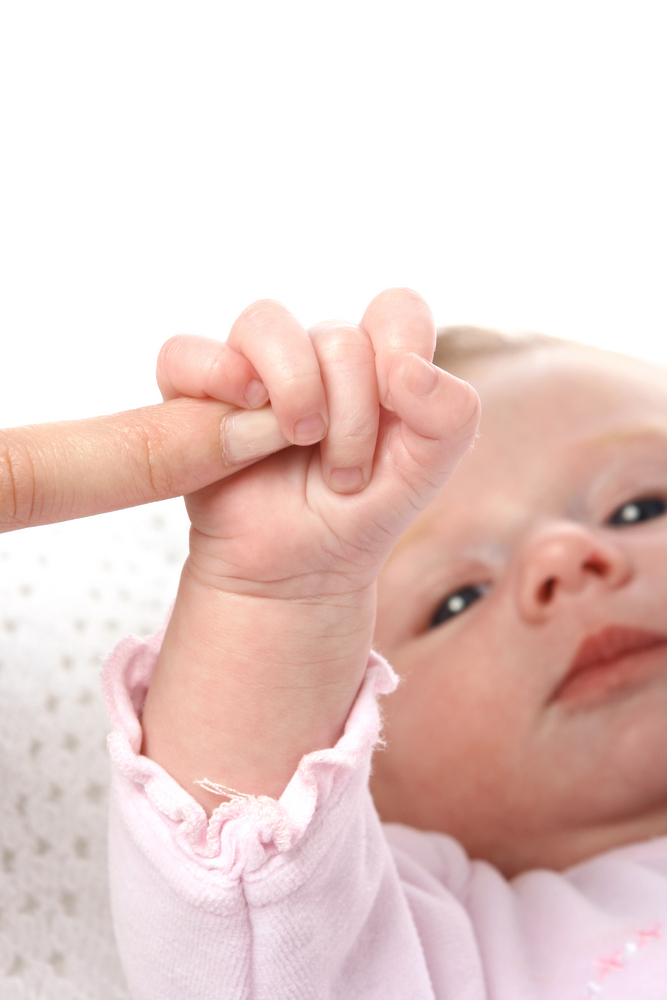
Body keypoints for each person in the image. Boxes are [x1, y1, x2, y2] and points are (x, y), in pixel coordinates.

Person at [104, 288, 667, 998]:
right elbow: (258, 904)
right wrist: (274, 593)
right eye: (456, 601)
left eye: (639, 507)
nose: (563, 556)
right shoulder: (434, 948)